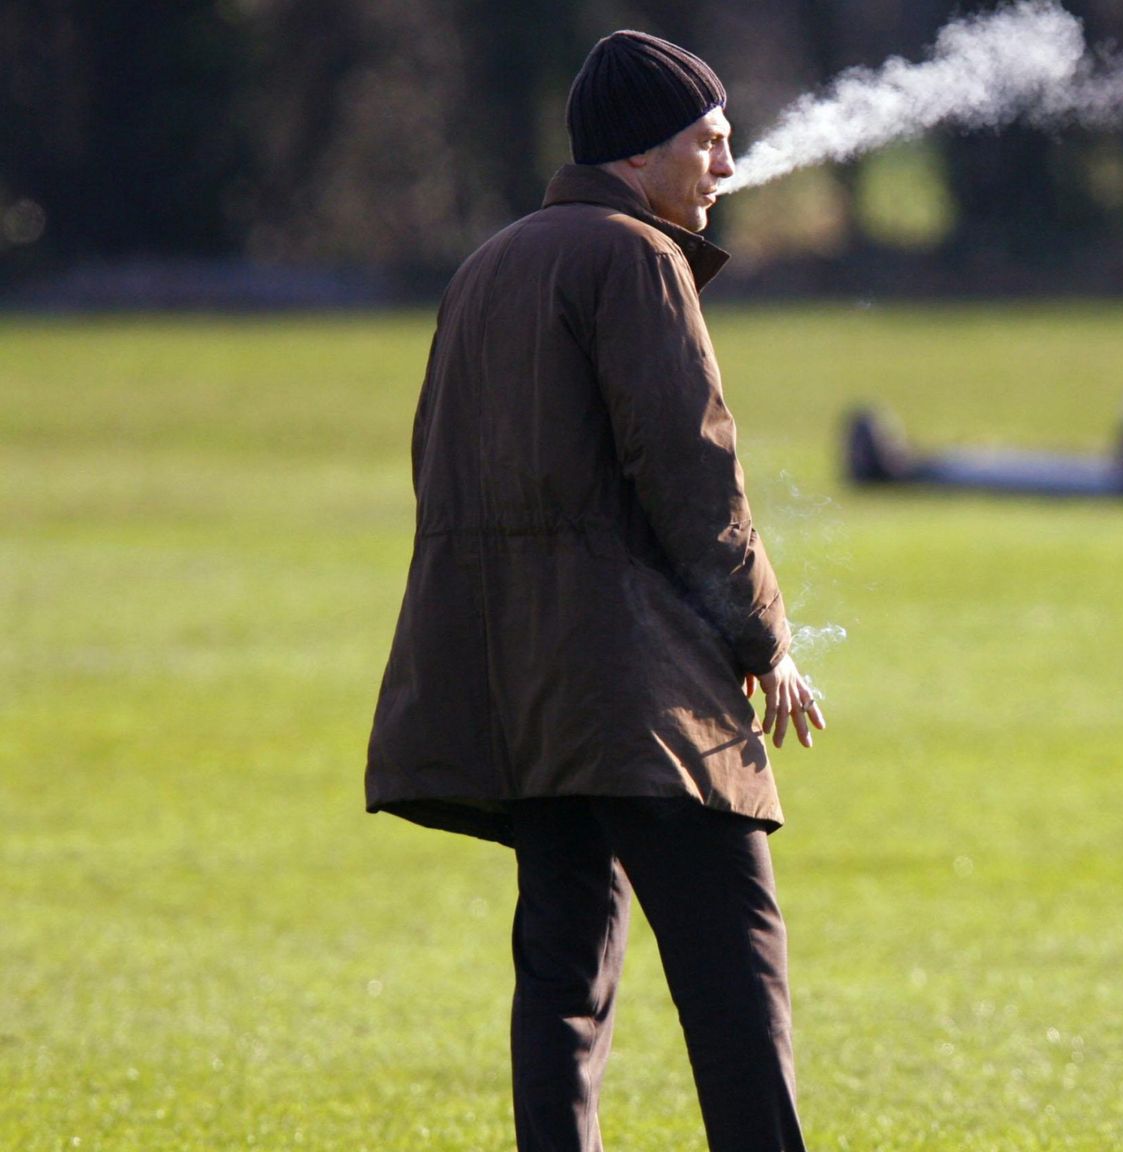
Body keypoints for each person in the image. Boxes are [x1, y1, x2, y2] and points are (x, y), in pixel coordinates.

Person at [364, 30, 822, 1152]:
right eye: (707, 143)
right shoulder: (636, 261)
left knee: (563, 978)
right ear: (637, 155)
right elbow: (692, 472)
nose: (725, 167)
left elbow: (438, 461)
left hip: (525, 689)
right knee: (734, 972)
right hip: (639, 696)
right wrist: (766, 639)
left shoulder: (489, 263)